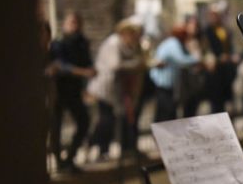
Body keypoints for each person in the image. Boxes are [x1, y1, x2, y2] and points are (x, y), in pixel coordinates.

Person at [87, 17, 146, 161]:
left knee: (118, 120)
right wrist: (136, 64)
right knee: (106, 121)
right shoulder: (114, 43)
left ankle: (118, 149)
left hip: (118, 89)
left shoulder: (130, 44)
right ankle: (98, 149)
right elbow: (115, 65)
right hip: (105, 88)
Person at [49, 11, 96, 173]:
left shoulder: (81, 42)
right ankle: (60, 163)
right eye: (72, 23)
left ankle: (70, 158)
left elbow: (88, 63)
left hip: (74, 90)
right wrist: (82, 72)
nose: (75, 26)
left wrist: (88, 76)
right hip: (59, 91)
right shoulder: (59, 42)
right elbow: (60, 66)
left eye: (77, 23)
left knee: (84, 121)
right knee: (56, 127)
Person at [150, 23, 200, 122]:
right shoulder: (173, 43)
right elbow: (181, 60)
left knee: (166, 113)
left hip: (167, 86)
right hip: (163, 85)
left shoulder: (172, 43)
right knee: (167, 113)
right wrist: (196, 59)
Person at [201, 8, 238, 114]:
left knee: (228, 98)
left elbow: (229, 46)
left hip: (226, 68)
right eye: (212, 16)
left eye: (216, 15)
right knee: (216, 100)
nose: (214, 18)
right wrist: (216, 58)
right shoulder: (207, 30)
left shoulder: (225, 29)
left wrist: (231, 55)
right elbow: (206, 49)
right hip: (215, 68)